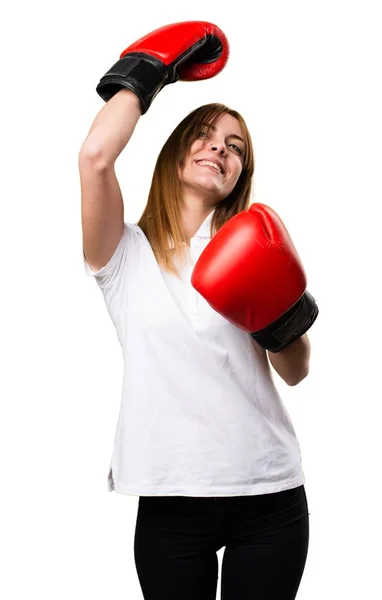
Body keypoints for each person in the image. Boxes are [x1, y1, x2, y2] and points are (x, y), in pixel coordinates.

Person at [79, 21, 316, 600]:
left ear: (239, 175)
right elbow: (94, 158)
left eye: (235, 148)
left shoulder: (252, 247)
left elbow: (296, 370)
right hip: (169, 500)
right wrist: (147, 71)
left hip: (269, 496)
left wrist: (273, 306)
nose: (220, 148)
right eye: (206, 136)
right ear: (177, 147)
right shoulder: (123, 251)